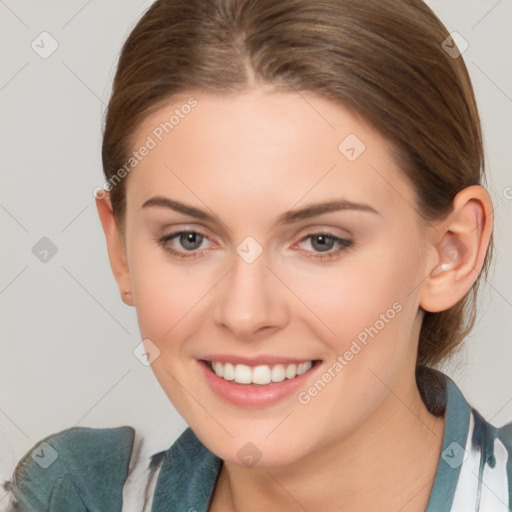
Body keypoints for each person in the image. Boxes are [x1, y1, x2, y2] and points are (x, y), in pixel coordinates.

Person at [3, 0, 511, 510]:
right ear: (120, 248)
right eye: (189, 239)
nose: (245, 314)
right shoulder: (74, 495)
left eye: (321, 241)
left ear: (452, 251)